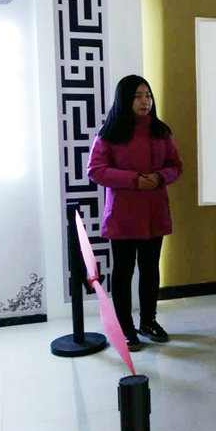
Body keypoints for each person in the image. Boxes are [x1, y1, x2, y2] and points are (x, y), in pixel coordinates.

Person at [87, 75, 182, 352]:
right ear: (125, 99)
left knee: (150, 270)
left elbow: (176, 166)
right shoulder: (109, 132)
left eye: (148, 95)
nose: (145, 101)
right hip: (123, 215)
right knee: (124, 272)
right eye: (138, 96)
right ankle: (125, 327)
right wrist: (134, 180)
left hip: (154, 212)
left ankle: (148, 321)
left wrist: (160, 176)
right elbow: (95, 170)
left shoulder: (161, 131)